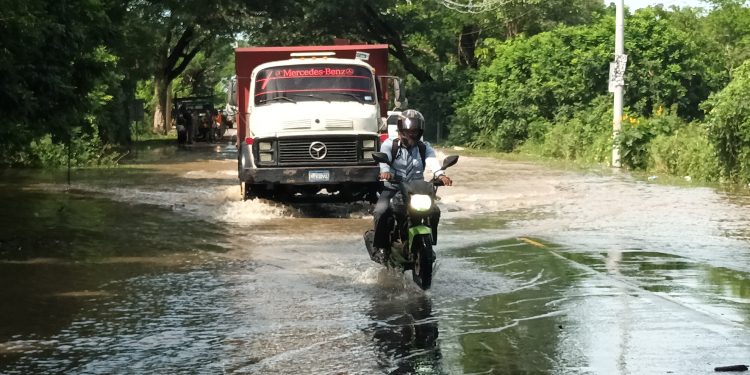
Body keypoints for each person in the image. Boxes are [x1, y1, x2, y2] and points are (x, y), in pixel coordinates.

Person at [371, 109, 452, 263]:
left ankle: (428, 245)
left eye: (415, 131)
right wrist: (386, 172)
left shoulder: (423, 147)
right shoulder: (390, 144)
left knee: (434, 211)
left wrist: (440, 174)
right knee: (381, 211)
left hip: (416, 190)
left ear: (420, 131)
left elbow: (431, 161)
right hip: (393, 188)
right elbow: (384, 160)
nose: (411, 134)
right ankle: (380, 248)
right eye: (408, 130)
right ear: (401, 129)